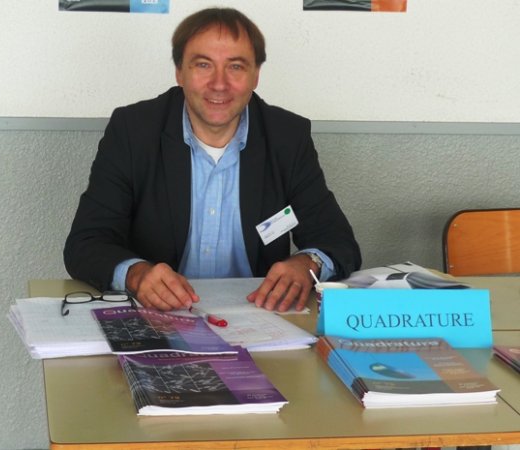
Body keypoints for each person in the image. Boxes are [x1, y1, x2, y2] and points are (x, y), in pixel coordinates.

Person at [64, 7, 361, 313]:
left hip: (261, 319)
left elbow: (338, 242)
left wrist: (306, 263)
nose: (219, 84)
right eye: (203, 65)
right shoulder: (133, 131)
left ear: (255, 76)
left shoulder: (287, 137)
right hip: (156, 317)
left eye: (236, 66)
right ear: (180, 72)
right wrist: (137, 275)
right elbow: (86, 243)